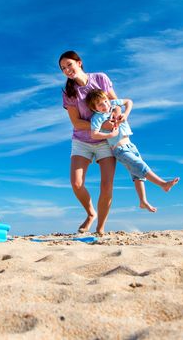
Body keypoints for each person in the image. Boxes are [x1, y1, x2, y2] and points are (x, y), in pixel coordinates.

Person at [85, 89, 179, 212]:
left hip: (130, 145)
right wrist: (110, 135)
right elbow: (94, 134)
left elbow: (129, 101)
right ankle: (163, 184)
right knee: (139, 165)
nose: (105, 105)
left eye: (105, 101)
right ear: (95, 108)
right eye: (100, 104)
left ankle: (143, 201)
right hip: (119, 149)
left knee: (137, 175)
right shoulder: (97, 117)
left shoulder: (113, 104)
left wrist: (126, 114)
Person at [59, 50, 119, 235]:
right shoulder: (69, 93)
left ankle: (100, 228)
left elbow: (115, 102)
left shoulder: (100, 78)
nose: (67, 70)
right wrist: (99, 125)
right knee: (76, 184)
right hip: (82, 141)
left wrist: (116, 117)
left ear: (79, 62)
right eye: (63, 68)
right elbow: (76, 122)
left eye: (69, 64)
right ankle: (90, 213)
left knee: (106, 185)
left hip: (105, 141)